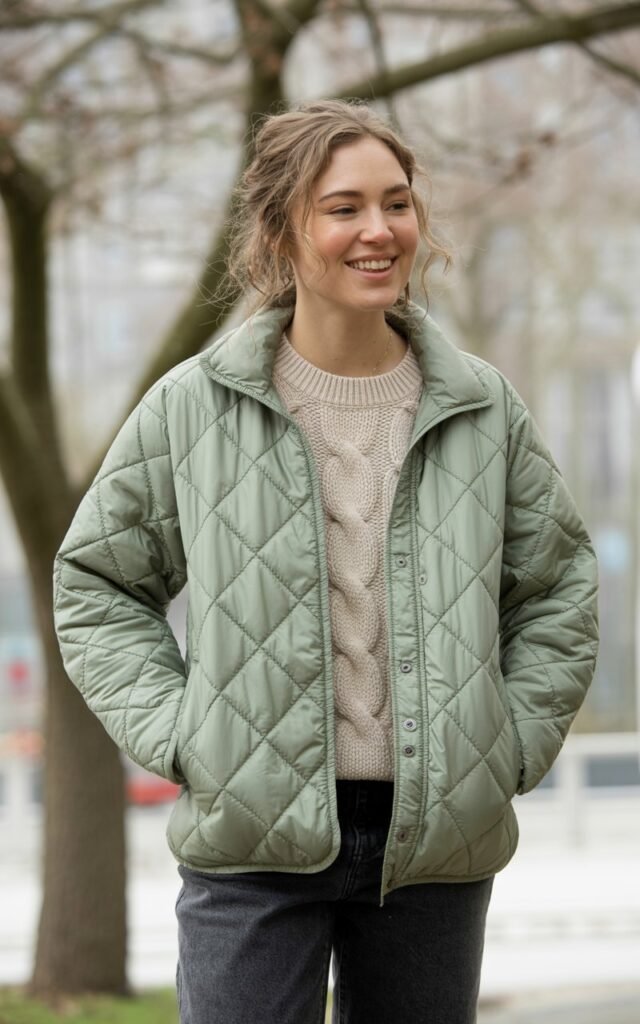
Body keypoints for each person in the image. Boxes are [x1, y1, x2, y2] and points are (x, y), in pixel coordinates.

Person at [53, 100, 599, 1023]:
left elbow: (557, 591)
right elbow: (97, 582)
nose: (379, 230)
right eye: (343, 207)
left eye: (397, 202)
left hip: (432, 848)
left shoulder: (482, 406)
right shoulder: (195, 407)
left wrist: (500, 745)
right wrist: (189, 735)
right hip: (250, 842)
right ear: (281, 228)